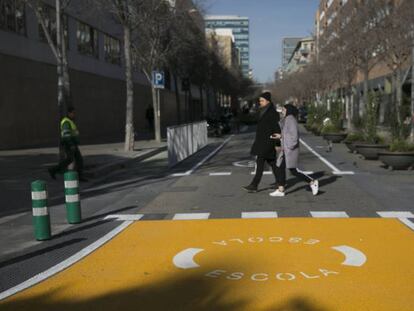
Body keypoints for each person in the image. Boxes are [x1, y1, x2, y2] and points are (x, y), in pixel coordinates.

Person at [269, 104, 318, 197]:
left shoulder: (290, 119)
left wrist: (288, 145)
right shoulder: (288, 119)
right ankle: (281, 189)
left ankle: (312, 182)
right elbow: (288, 134)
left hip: (290, 149)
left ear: (288, 110)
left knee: (293, 170)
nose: (282, 111)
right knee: (280, 167)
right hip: (286, 149)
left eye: (283, 109)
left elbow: (294, 137)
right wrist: (280, 136)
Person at [243, 92, 281, 193]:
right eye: (260, 100)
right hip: (262, 142)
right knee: (272, 163)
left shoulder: (271, 112)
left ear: (267, 101)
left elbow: (276, 129)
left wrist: (277, 143)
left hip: (267, 142)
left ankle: (254, 185)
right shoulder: (263, 110)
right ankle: (280, 182)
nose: (260, 102)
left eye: (262, 100)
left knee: (260, 163)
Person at [48, 107, 87, 181]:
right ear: (69, 113)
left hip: (72, 144)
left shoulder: (69, 121)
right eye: (73, 113)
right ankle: (53, 170)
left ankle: (54, 170)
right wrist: (71, 144)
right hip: (69, 144)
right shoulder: (66, 122)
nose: (74, 114)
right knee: (73, 160)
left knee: (76, 160)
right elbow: (66, 135)